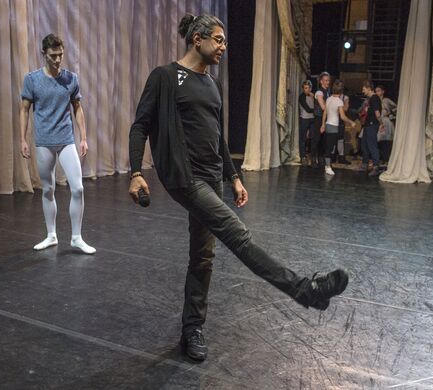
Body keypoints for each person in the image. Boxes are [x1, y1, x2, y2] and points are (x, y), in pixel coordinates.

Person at [128, 14, 348, 362]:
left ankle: (191, 330)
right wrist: (135, 172)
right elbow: (140, 125)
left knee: (203, 256)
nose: (224, 47)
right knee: (238, 235)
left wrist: (233, 177)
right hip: (186, 178)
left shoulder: (212, 85)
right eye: (218, 39)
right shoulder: (166, 77)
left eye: (226, 41)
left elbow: (218, 138)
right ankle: (304, 289)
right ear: (197, 39)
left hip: (212, 177)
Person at [20, 34, 95, 254]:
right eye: (53, 55)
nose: (58, 59)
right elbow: (24, 109)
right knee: (48, 189)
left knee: (78, 188)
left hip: (66, 139)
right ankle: (51, 235)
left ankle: (76, 237)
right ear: (43, 54)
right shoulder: (32, 79)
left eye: (60, 54)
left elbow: (77, 108)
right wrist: (22, 139)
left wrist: (83, 137)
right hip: (44, 140)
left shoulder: (71, 78)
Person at [320, 80, 356, 175]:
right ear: (341, 91)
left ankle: (328, 165)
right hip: (334, 126)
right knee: (330, 147)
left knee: (329, 146)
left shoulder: (328, 99)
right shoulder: (339, 101)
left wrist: (323, 124)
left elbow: (325, 113)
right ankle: (327, 166)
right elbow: (343, 116)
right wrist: (351, 122)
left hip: (328, 125)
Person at [360, 80, 382, 176]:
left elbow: (377, 113)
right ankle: (365, 164)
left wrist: (381, 123)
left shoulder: (374, 98)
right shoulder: (370, 99)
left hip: (372, 125)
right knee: (364, 144)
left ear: (369, 89)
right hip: (368, 124)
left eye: (364, 89)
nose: (362, 91)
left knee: (372, 145)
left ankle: (376, 167)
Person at [311, 72, 330, 168]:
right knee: (316, 139)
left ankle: (321, 157)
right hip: (318, 118)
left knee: (324, 140)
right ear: (321, 81)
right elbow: (323, 107)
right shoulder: (319, 92)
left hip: (326, 118)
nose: (328, 82)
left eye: (328, 80)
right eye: (326, 80)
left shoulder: (328, 92)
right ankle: (313, 158)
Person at [375, 85, 397, 164]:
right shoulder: (375, 100)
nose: (377, 92)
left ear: (382, 91)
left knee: (385, 140)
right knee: (377, 140)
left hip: (385, 121)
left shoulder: (386, 100)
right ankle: (379, 158)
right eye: (376, 91)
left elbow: (395, 107)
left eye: (378, 91)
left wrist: (391, 115)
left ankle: (386, 158)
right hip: (377, 121)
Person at [298, 80, 314, 166]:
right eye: (305, 88)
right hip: (304, 119)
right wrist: (315, 110)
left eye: (308, 88)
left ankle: (311, 156)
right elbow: (307, 109)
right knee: (303, 138)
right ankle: (303, 156)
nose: (307, 90)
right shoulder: (301, 97)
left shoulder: (313, 96)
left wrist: (314, 98)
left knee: (312, 138)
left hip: (312, 119)